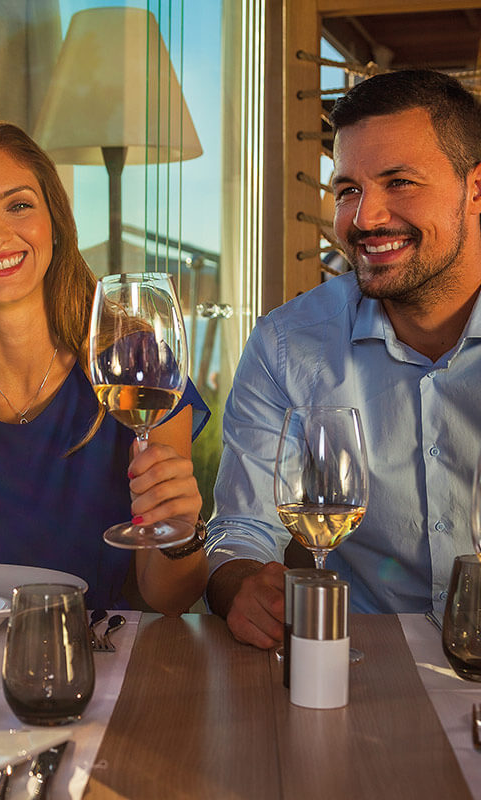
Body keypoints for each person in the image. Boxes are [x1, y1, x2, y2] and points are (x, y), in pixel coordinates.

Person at [0, 115, 210, 614]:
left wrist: (180, 533)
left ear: (53, 220)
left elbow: (169, 599)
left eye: (18, 205)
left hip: (98, 669)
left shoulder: (135, 362)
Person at [205, 68, 481, 648]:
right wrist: (241, 585)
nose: (364, 218)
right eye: (348, 189)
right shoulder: (288, 345)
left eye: (400, 182)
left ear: (475, 189)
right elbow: (240, 529)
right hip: (364, 664)